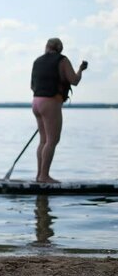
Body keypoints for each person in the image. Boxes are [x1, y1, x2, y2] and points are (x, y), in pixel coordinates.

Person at [31, 38, 87, 183]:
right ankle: (44, 176)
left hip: (36, 102)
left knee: (43, 140)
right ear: (59, 48)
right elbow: (74, 80)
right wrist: (80, 69)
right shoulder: (62, 60)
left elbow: (32, 85)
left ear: (47, 47)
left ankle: (39, 175)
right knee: (52, 140)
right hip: (50, 102)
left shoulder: (37, 61)